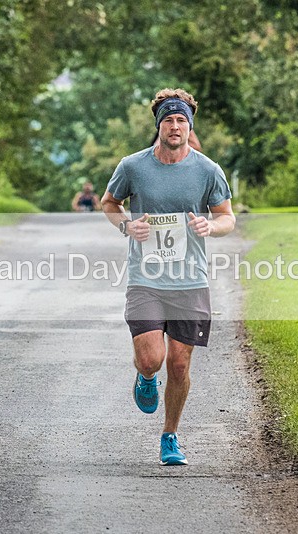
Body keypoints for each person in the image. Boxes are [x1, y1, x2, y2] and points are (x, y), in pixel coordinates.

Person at [101, 88, 235, 466]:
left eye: (181, 120)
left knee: (179, 364)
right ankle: (145, 377)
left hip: (190, 280)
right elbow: (109, 204)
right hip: (146, 277)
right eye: (168, 120)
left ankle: (170, 436)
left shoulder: (208, 170)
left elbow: (227, 216)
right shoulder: (133, 166)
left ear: (188, 126)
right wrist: (127, 227)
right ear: (158, 125)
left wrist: (211, 226)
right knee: (151, 361)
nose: (174, 126)